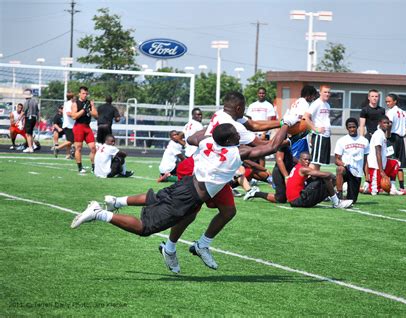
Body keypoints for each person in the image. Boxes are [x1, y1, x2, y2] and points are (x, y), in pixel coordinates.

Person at [70, 121, 294, 274]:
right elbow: (272, 146)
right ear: (230, 140)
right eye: (236, 135)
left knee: (159, 201)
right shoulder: (237, 153)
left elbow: (194, 137)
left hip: (187, 186)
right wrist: (286, 123)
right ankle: (98, 213)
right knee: (145, 228)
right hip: (190, 196)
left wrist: (210, 127)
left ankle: (121, 206)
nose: (239, 137)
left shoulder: (208, 141)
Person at [158, 91, 292, 273]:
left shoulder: (221, 114)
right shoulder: (234, 127)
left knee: (228, 211)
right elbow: (265, 146)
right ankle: (170, 248)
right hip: (200, 168)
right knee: (189, 212)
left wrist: (282, 122)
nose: (245, 112)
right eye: (243, 108)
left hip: (217, 169)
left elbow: (253, 124)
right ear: (238, 108)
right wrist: (287, 127)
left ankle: (202, 245)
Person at [285, 152, 353, 208]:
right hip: (298, 201)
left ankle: (331, 195)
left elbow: (314, 177)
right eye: (305, 159)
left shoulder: (297, 167)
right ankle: (336, 202)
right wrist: (334, 178)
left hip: (293, 200)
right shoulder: (303, 169)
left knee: (318, 178)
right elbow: (326, 175)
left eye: (309, 160)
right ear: (300, 160)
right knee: (325, 177)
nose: (307, 161)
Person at [385, 93, 406, 194]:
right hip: (400, 139)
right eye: (386, 101)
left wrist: (387, 135)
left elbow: (389, 124)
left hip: (392, 138)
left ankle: (392, 186)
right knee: (399, 164)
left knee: (391, 162)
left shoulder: (390, 112)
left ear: (395, 101)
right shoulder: (402, 112)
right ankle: (402, 187)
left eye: (389, 101)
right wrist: (405, 133)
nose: (387, 103)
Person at [334, 118, 369, 204]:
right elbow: (337, 160)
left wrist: (367, 178)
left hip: (357, 173)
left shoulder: (364, 141)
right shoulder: (342, 141)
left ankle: (335, 194)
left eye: (354, 127)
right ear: (347, 128)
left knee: (352, 201)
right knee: (340, 169)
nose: (352, 129)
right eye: (350, 127)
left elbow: (365, 161)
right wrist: (346, 165)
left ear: (357, 127)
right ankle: (339, 194)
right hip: (347, 169)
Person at [366, 116, 404, 195]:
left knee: (396, 163)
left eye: (387, 123)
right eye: (384, 123)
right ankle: (362, 188)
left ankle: (393, 188)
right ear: (379, 124)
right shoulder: (378, 134)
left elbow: (388, 135)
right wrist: (381, 171)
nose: (386, 125)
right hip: (376, 167)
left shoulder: (383, 133)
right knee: (374, 191)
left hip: (383, 165)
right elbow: (378, 152)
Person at [246, 87, 277, 167]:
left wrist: (264, 132)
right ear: (257, 94)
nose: (261, 95)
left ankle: (262, 173)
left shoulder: (269, 105)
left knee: (261, 154)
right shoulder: (252, 105)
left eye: (263, 93)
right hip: (252, 133)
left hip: (263, 133)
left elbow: (269, 121)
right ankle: (253, 174)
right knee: (250, 153)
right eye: (260, 93)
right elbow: (249, 120)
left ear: (265, 94)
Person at [303, 84, 332, 171]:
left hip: (326, 136)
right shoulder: (316, 103)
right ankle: (308, 182)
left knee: (319, 163)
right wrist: (315, 129)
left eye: (328, 92)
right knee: (314, 162)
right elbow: (305, 117)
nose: (327, 94)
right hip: (319, 136)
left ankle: (316, 183)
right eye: (325, 92)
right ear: (320, 93)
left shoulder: (327, 105)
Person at [71, 86, 98, 174]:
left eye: (86, 93)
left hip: (87, 127)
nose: (85, 95)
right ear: (79, 94)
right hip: (79, 127)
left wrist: (90, 109)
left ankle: (94, 167)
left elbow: (96, 115)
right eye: (83, 93)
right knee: (78, 148)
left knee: (93, 148)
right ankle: (80, 167)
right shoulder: (75, 103)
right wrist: (83, 110)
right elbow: (74, 116)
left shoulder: (89, 103)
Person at [56, 92, 76, 159]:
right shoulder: (69, 104)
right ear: (72, 97)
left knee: (69, 140)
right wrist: (76, 115)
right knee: (71, 141)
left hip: (69, 124)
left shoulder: (68, 103)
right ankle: (57, 148)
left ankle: (67, 155)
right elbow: (68, 113)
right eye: (74, 97)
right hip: (69, 125)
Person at [22, 89, 39, 153]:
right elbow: (38, 111)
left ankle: (30, 147)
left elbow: (24, 111)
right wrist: (38, 119)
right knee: (30, 133)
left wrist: (19, 119)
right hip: (34, 118)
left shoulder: (27, 102)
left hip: (29, 118)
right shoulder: (35, 101)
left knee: (27, 134)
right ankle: (32, 146)